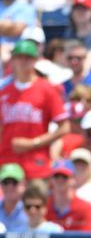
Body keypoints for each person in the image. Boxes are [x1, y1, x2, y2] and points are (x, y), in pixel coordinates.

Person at [0, 40, 67, 180]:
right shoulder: (4, 92)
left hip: (36, 162)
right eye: (19, 57)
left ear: (35, 60)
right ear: (12, 60)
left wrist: (33, 143)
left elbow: (64, 127)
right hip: (7, 161)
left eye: (28, 57)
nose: (23, 61)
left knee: (35, 200)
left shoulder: (47, 90)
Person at [0, 163, 26, 231]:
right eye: (5, 182)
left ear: (23, 183)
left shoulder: (32, 208)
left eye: (14, 182)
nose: (10, 186)